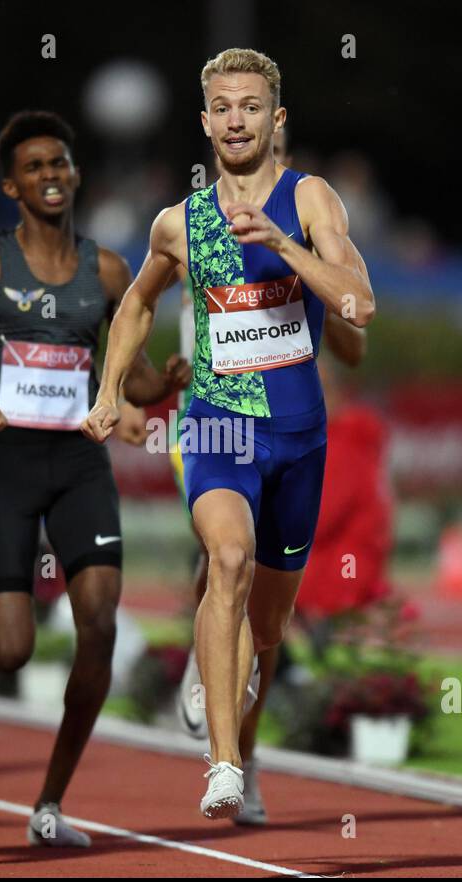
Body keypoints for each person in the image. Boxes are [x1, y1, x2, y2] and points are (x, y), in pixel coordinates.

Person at [84, 48, 375, 819]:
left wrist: (283, 245)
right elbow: (139, 304)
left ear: (276, 120)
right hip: (217, 423)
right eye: (224, 107)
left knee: (269, 623)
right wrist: (112, 388)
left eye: (252, 106)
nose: (236, 119)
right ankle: (223, 763)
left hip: (299, 434)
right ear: (205, 120)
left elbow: (359, 305)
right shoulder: (178, 222)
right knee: (230, 556)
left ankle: (227, 696)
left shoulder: (310, 198)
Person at [0, 111, 188, 846]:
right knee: (10, 650)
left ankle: (50, 801)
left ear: (77, 174)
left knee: (99, 620)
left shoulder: (110, 271)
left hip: (81, 463)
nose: (50, 175)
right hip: (8, 463)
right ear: (10, 185)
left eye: (60, 163)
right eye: (34, 167)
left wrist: (161, 383)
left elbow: (133, 375)